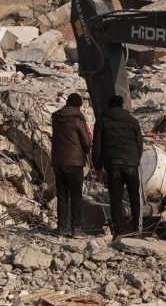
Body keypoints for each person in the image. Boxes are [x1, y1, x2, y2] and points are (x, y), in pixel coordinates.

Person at [93, 94, 143, 237]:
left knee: (115, 198)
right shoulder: (133, 122)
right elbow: (139, 144)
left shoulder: (102, 121)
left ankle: (118, 232)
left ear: (109, 106)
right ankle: (137, 230)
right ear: (122, 105)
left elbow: (97, 146)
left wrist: (98, 167)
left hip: (113, 164)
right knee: (134, 197)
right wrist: (135, 160)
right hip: (131, 163)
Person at [50, 93, 90, 237]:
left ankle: (61, 228)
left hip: (58, 162)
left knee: (62, 196)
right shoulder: (77, 119)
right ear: (78, 105)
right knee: (76, 196)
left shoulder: (56, 117)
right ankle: (76, 228)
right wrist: (87, 149)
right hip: (74, 163)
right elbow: (86, 143)